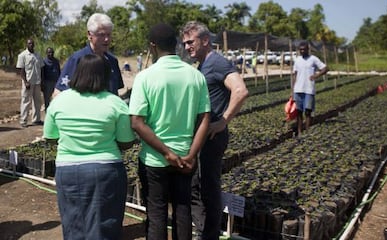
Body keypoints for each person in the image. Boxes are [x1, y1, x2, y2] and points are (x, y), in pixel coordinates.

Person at [129, 23, 210, 240]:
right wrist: (191, 155)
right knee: (183, 212)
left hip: (155, 160)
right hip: (186, 159)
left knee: (156, 215)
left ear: (152, 46)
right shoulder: (195, 76)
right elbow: (204, 120)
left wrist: (166, 153)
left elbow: (137, 122)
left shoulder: (145, 77)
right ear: (175, 44)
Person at [43, 54, 136, 240]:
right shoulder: (115, 103)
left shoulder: (58, 102)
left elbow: (51, 138)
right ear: (104, 76)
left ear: (77, 74)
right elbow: (126, 142)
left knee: (72, 223)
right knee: (105, 224)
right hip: (106, 171)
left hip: (68, 170)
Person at [181, 21, 249, 240]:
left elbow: (240, 90)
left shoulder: (218, 63)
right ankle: (203, 231)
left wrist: (223, 121)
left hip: (213, 137)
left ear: (205, 40)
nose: (187, 47)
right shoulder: (201, 65)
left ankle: (209, 235)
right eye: (184, 43)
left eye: (191, 42)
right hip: (201, 137)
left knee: (209, 187)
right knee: (195, 185)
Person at [54, 13, 123, 96]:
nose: (106, 39)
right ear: (89, 35)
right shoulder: (77, 59)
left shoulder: (112, 61)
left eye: (109, 34)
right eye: (101, 35)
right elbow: (59, 92)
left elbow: (116, 92)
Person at [292, 41, 329, 135]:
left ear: (308, 49)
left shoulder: (313, 59)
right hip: (298, 89)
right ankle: (300, 131)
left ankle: (307, 131)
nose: (302, 51)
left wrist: (316, 76)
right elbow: (295, 75)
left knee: (308, 111)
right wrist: (292, 90)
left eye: (304, 49)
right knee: (299, 112)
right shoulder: (297, 60)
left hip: (309, 89)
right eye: (300, 49)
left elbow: (325, 68)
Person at [16, 38, 44, 128]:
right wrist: (25, 81)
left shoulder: (38, 55)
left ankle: (36, 119)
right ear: (26, 45)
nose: (31, 45)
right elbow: (21, 70)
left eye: (32, 43)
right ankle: (23, 121)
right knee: (26, 101)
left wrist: (42, 80)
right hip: (28, 82)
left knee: (37, 102)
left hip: (37, 82)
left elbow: (42, 68)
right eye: (29, 43)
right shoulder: (22, 55)